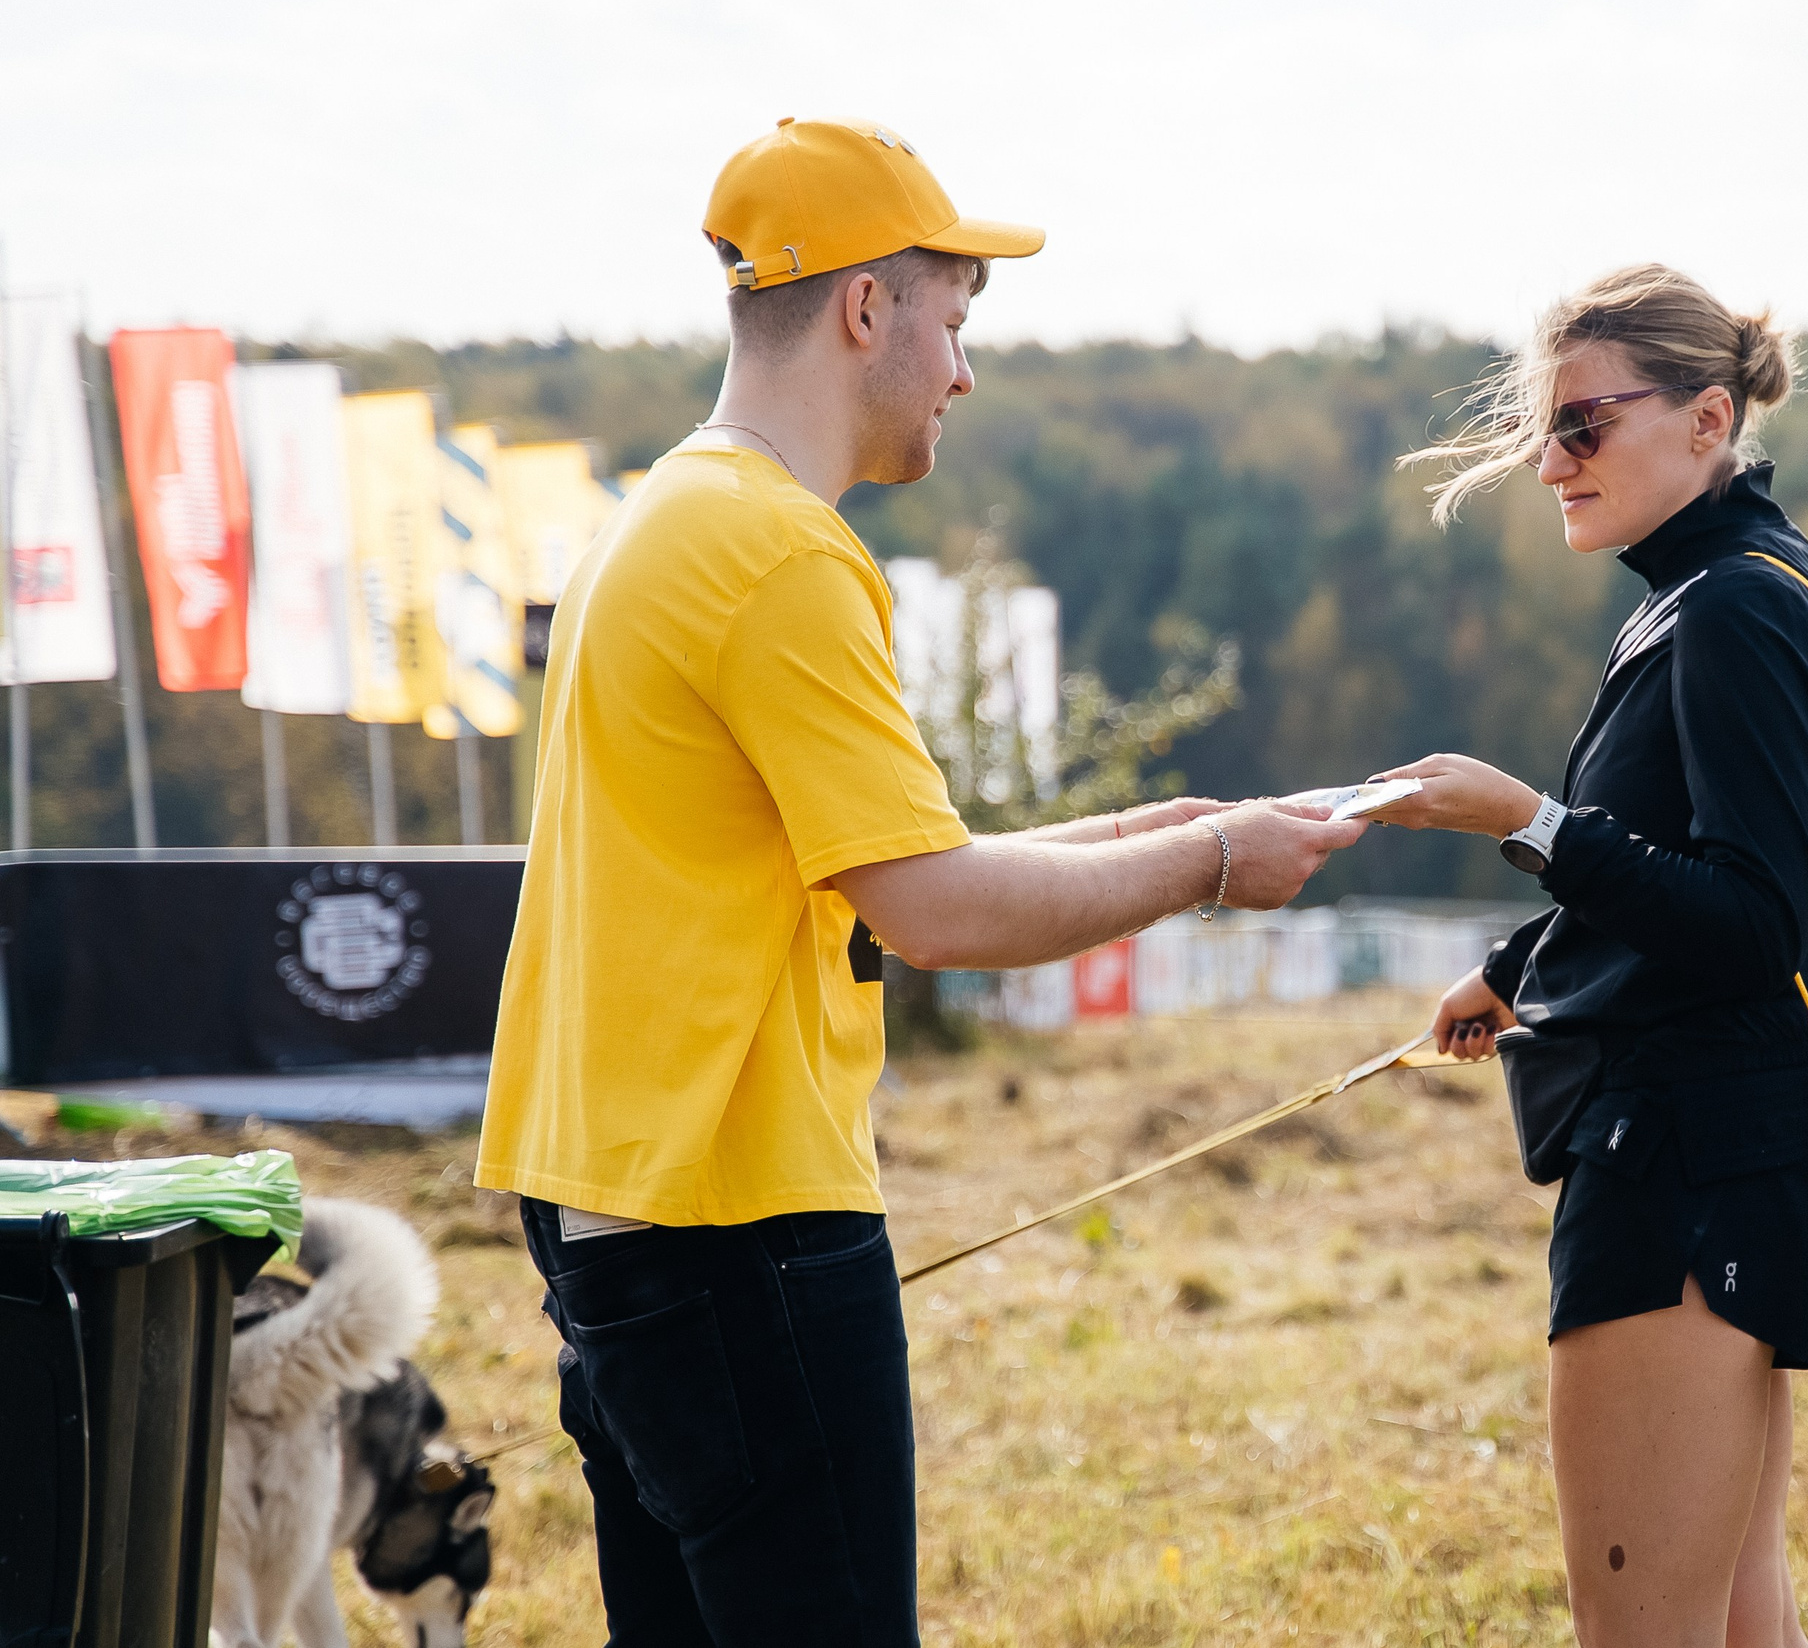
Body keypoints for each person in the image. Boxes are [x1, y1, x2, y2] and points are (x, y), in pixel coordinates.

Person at [474, 116, 1363, 1646]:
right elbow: (936, 913)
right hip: (741, 1228)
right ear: (864, 309)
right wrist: (1214, 864)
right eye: (954, 320)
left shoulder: (668, 521)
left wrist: (1145, 826)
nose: (963, 369)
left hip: (623, 1222)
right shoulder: (783, 559)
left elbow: (886, 863)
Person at [1367, 264, 1808, 1648]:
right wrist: (1528, 960)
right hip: (1727, 1144)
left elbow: (1755, 920)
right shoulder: (1729, 583)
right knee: (1739, 1620)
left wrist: (1523, 820)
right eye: (1547, 427)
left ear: (1709, 420)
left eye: (1585, 424)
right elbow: (1693, 855)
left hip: (1681, 1166)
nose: (1551, 462)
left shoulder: (1729, 610)